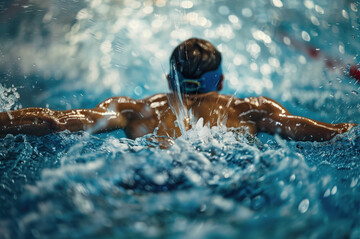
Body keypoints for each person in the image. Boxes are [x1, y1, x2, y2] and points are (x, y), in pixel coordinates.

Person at [0, 38, 357, 142]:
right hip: (227, 186)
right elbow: (327, 133)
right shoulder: (252, 110)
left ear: (170, 80)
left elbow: (53, 122)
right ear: (220, 81)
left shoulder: (133, 110)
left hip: (148, 183)